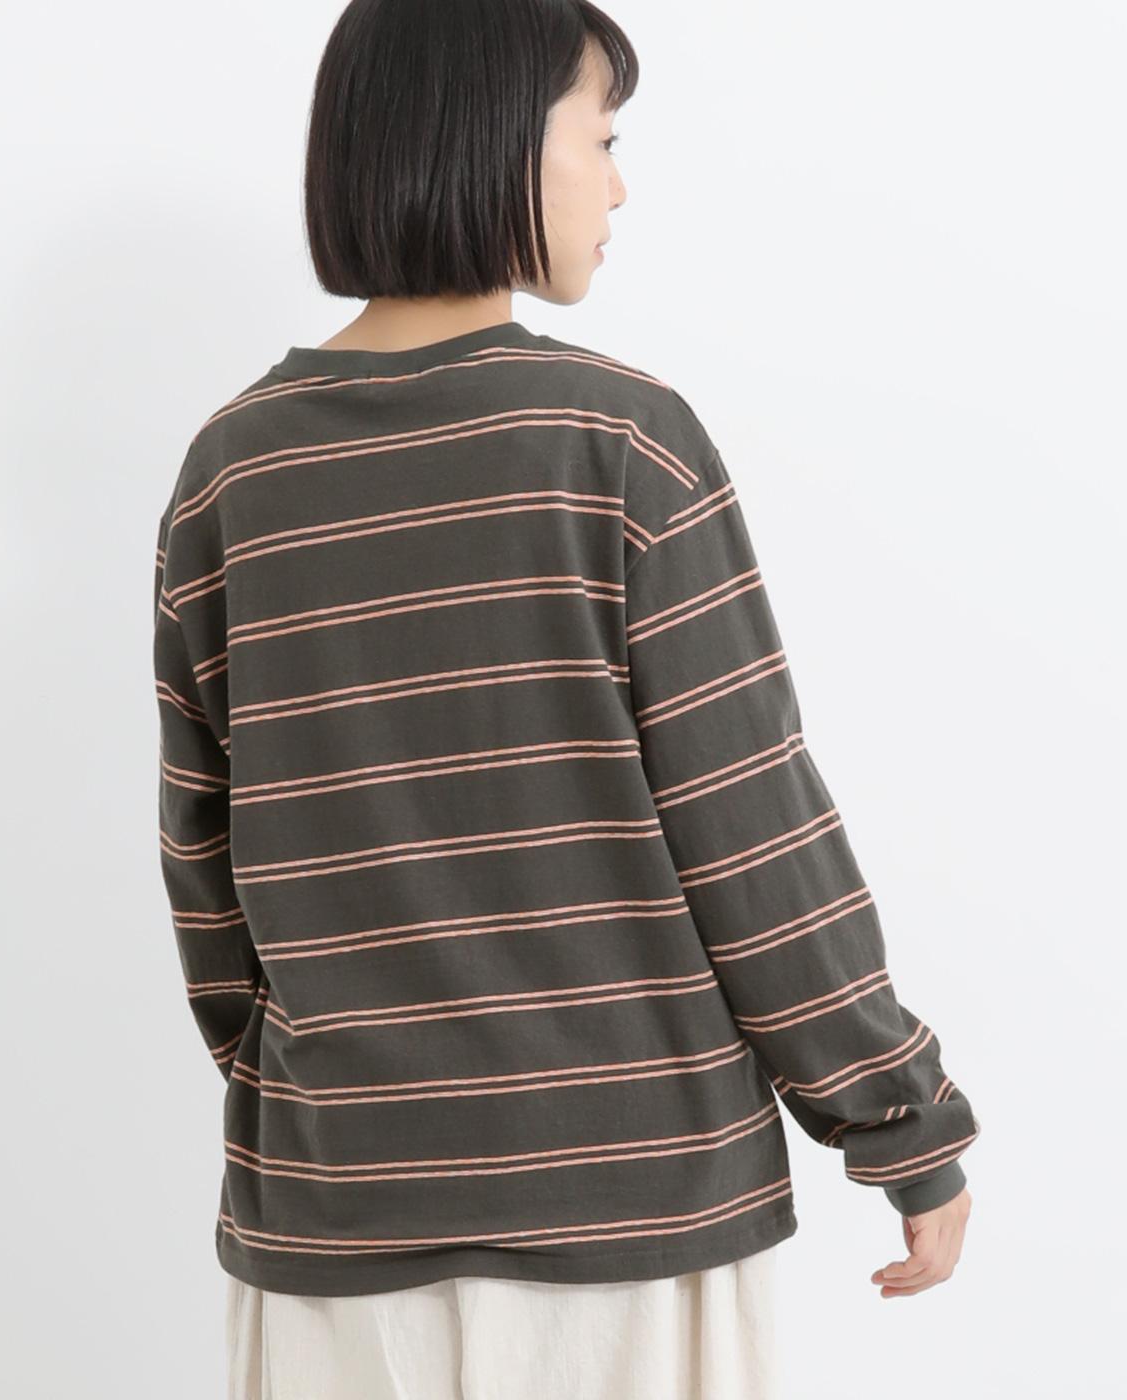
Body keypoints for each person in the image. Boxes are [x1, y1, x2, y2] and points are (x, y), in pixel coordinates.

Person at [151, 2, 979, 1395]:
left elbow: (208, 871)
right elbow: (751, 826)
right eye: (600, 138)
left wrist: (326, 1097)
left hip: (338, 1225)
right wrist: (899, 1116)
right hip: (632, 1221)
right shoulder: (619, 442)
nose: (620, 184)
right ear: (488, 142)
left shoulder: (232, 475)